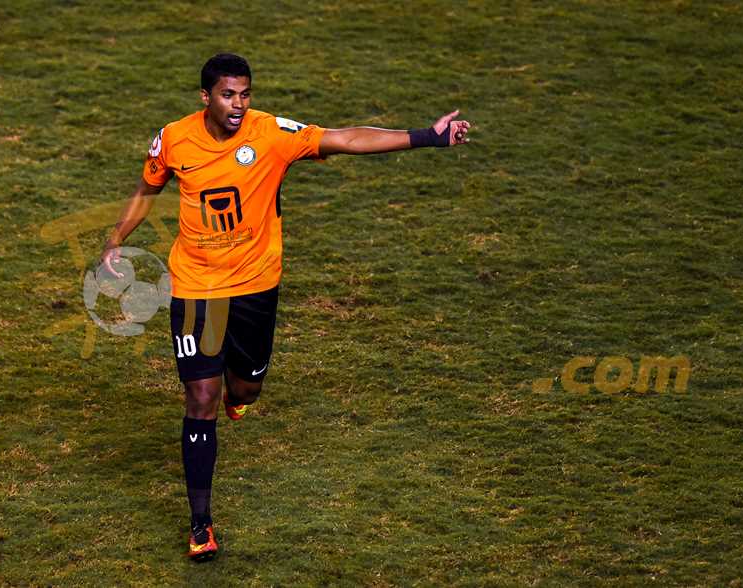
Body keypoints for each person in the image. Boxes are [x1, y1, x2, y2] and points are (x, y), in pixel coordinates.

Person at [99, 53, 471, 562]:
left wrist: (427, 136)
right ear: (205, 97)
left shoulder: (271, 133)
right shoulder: (174, 138)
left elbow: (345, 139)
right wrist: (116, 237)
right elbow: (148, 188)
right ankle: (201, 524)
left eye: (244, 94)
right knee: (201, 397)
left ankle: (240, 392)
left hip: (255, 286)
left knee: (244, 388)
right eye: (228, 95)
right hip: (197, 287)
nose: (238, 104)